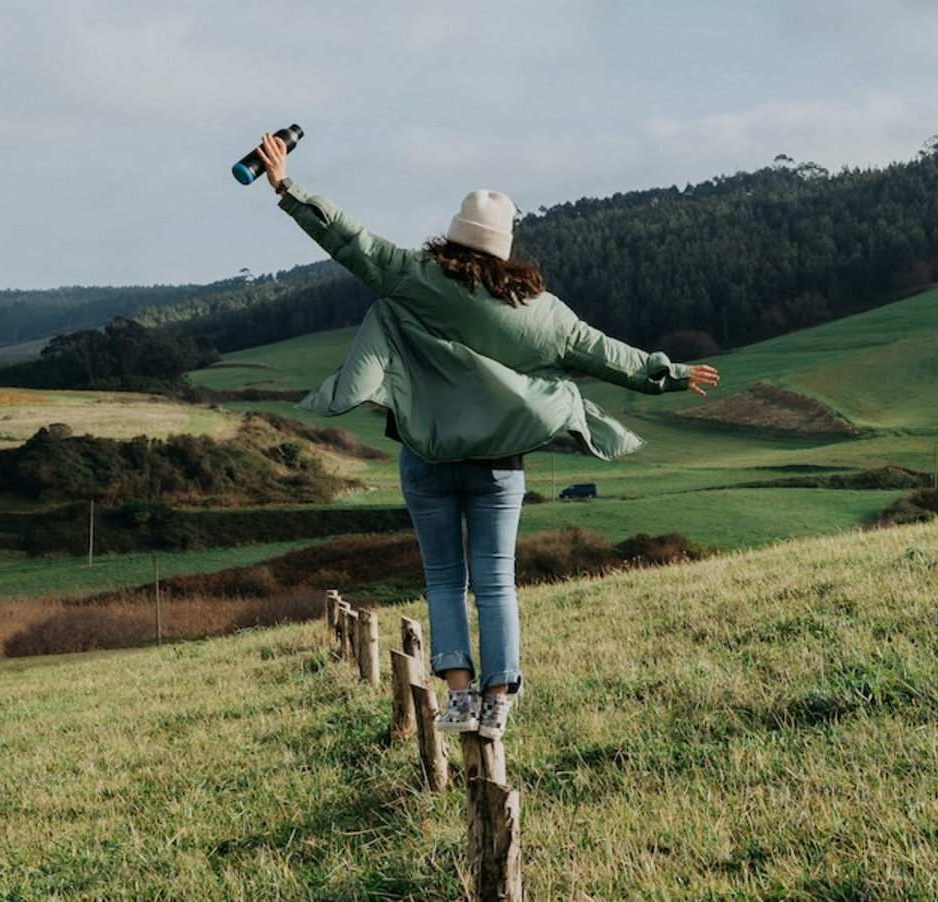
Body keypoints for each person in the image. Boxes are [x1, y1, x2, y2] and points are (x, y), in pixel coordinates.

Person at [252, 133, 719, 740]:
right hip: (500, 465)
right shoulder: (544, 313)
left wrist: (287, 186)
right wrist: (673, 375)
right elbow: (613, 358)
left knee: (445, 579)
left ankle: (459, 697)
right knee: (496, 581)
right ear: (505, 248)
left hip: (426, 457)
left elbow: (347, 237)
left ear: (453, 235)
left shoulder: (414, 278)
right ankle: (498, 701)